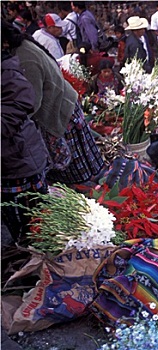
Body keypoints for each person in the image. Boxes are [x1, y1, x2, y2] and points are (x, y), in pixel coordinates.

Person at [2, 20, 104, 185]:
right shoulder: (21, 47)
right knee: (83, 165)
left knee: (76, 172)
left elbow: (31, 103)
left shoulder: (24, 57)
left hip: (59, 111)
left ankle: (91, 198)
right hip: (62, 105)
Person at [1, 49, 49, 243]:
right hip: (9, 164)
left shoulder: (7, 73)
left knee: (35, 220)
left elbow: (21, 104)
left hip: (19, 160)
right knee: (15, 220)